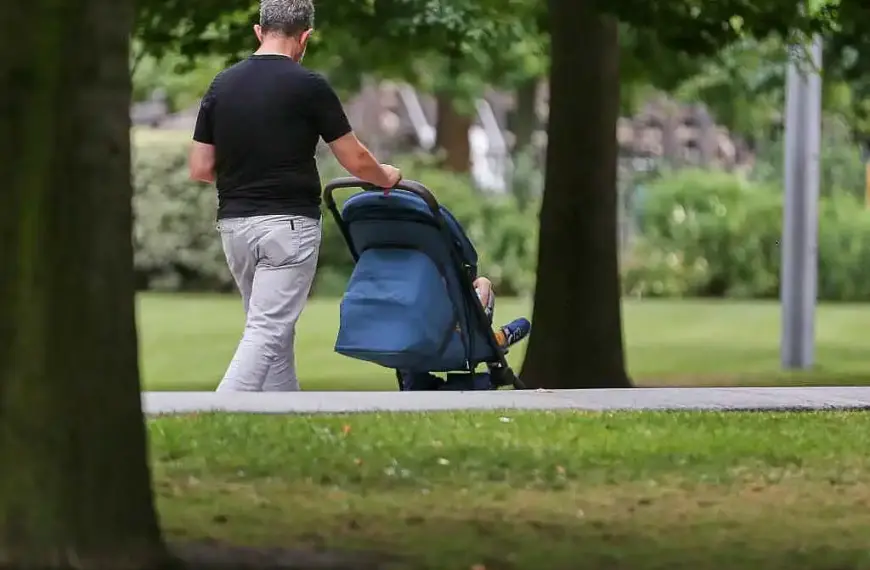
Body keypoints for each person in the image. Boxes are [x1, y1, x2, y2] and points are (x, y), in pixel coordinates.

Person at [188, 0, 402, 392]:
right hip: (288, 226)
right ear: (305, 37)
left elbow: (200, 167)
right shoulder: (309, 86)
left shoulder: (222, 84)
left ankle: (283, 415)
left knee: (274, 332)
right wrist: (385, 175)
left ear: (259, 31)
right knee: (267, 330)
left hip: (235, 226)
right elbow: (355, 158)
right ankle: (217, 412)